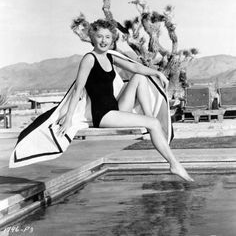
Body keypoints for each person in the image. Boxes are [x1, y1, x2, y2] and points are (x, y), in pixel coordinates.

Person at [57, 19, 193, 182]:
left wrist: (158, 73)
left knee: (139, 77)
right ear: (92, 37)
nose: (104, 40)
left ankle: (150, 119)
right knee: (154, 124)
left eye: (108, 37)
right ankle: (174, 164)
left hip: (116, 108)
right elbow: (78, 89)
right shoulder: (89, 59)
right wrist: (68, 118)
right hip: (104, 115)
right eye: (99, 36)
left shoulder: (109, 57)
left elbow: (135, 67)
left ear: (112, 39)